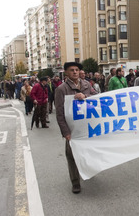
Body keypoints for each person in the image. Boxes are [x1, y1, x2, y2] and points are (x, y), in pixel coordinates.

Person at [55, 61, 97, 194]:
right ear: (66, 73)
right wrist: (66, 132)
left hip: (87, 126)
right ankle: (75, 182)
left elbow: (98, 97)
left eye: (77, 70)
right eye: (72, 70)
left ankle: (88, 171)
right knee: (71, 155)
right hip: (72, 129)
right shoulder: (61, 89)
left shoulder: (86, 85)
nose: (75, 72)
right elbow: (60, 114)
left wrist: (86, 96)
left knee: (89, 152)